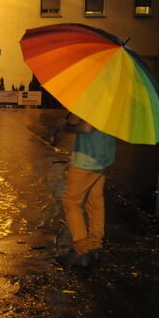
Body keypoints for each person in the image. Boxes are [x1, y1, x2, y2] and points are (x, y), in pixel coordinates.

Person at [52, 111, 116, 266]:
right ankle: (95, 245)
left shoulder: (97, 99)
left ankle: (82, 251)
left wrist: (66, 126)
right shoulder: (113, 100)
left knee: (72, 202)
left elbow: (87, 127)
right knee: (95, 202)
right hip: (103, 156)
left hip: (87, 159)